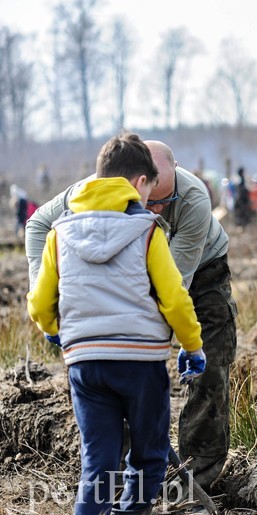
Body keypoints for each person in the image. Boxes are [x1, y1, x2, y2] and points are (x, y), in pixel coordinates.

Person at [26, 140, 237, 493]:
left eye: (162, 201)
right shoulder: (89, 190)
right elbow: (37, 226)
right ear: (137, 180)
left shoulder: (194, 199)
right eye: (148, 198)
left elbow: (172, 289)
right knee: (116, 371)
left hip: (200, 275)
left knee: (211, 369)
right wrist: (48, 300)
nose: (153, 208)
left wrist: (188, 344)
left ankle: (197, 478)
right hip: (125, 276)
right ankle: (126, 486)